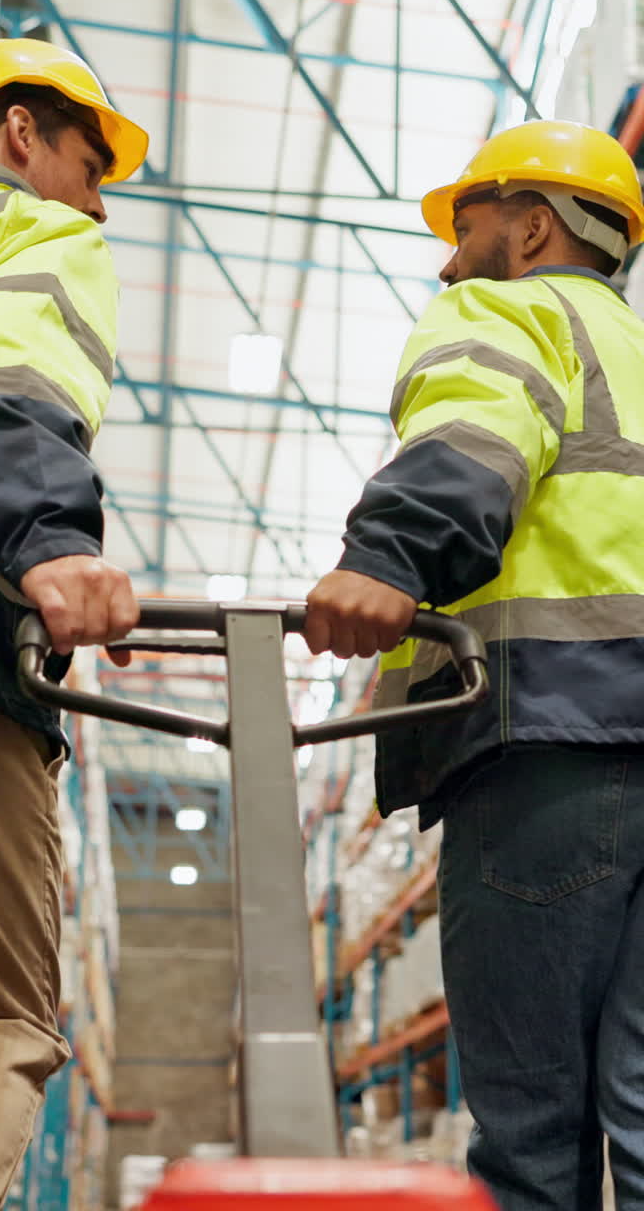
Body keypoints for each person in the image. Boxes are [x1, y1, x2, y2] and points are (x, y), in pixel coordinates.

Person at [305, 120, 644, 1208]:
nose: (448, 261)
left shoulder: (513, 308)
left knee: (533, 1143)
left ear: (535, 226)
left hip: (551, 746)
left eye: (466, 229)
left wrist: (385, 558)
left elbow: (475, 434)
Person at [0, 37, 148, 1210]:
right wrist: (53, 539)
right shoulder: (27, 231)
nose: (98, 201)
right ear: (21, 133)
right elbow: (9, 386)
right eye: (90, 163)